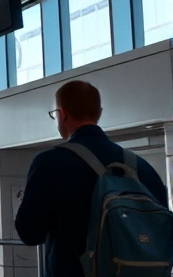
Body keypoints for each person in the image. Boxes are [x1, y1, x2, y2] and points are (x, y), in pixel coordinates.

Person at [15, 80, 168, 277]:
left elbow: (29, 233)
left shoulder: (49, 162)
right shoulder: (142, 167)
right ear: (99, 112)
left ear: (62, 115)